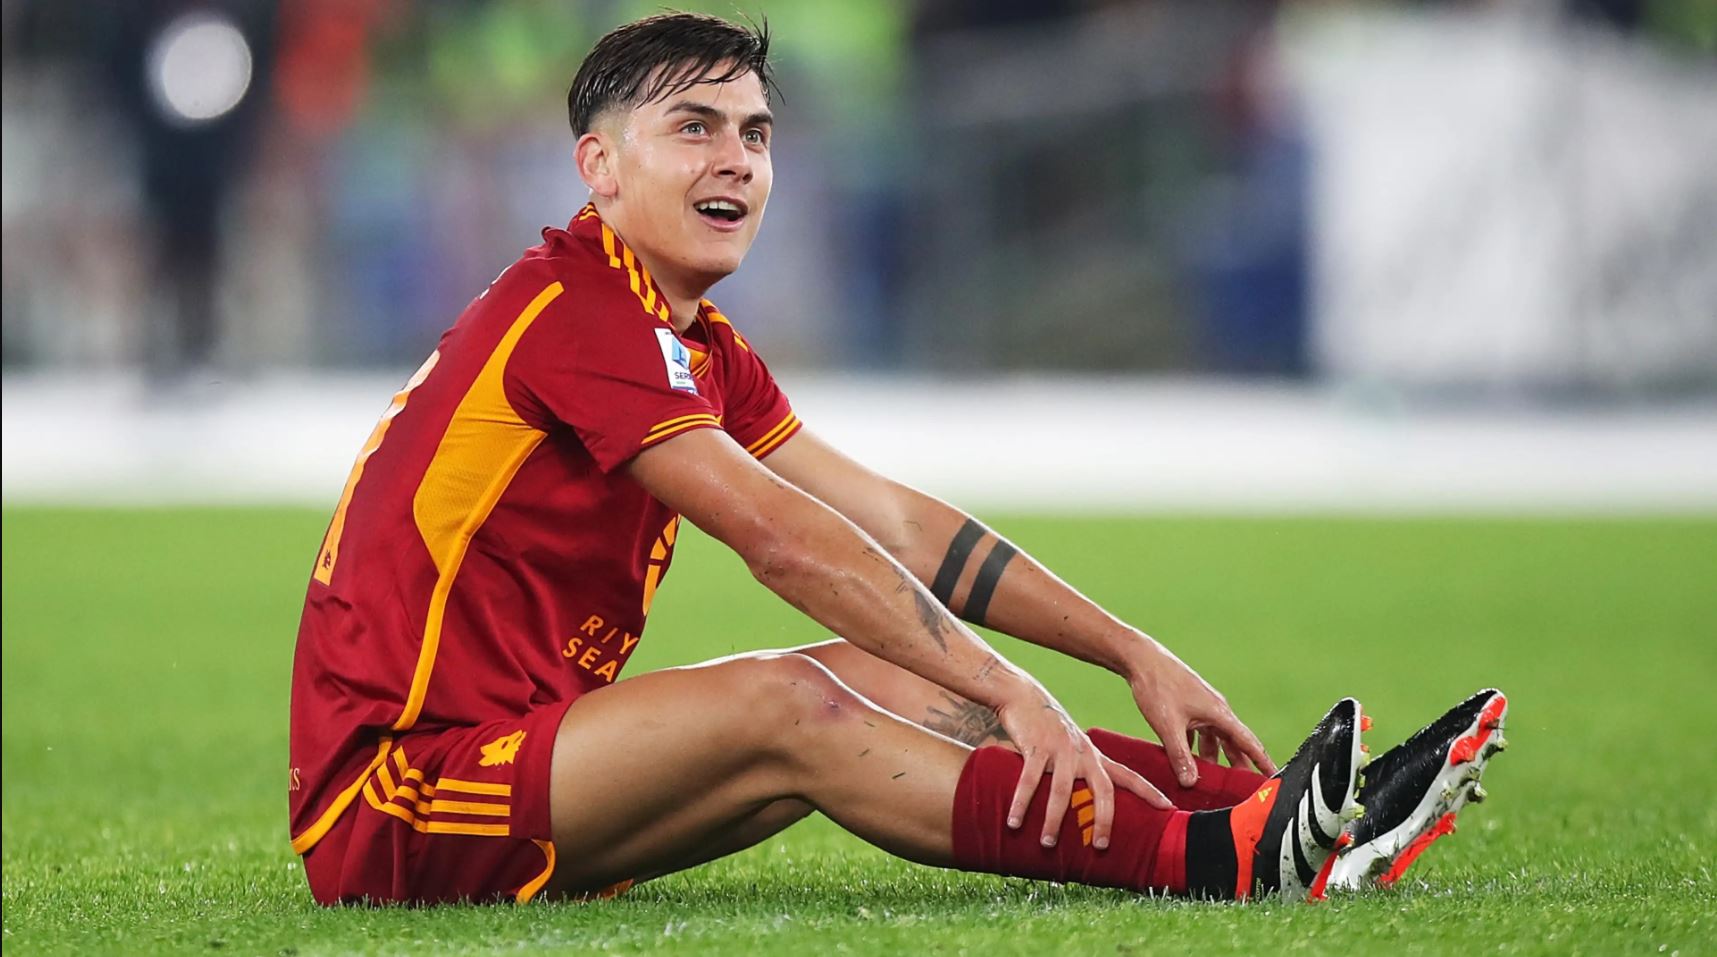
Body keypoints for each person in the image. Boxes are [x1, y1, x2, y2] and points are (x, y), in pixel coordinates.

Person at [287, 12, 1507, 907]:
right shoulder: (576, 312)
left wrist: (1126, 649)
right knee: (793, 701)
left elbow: (897, 524)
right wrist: (1010, 684)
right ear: (598, 169)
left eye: (756, 133)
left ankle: (1292, 816)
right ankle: (1217, 863)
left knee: (904, 682)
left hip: (526, 757)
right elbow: (779, 539)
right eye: (693, 129)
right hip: (398, 798)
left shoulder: (693, 344)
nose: (736, 160)